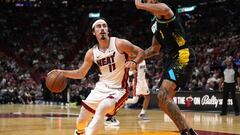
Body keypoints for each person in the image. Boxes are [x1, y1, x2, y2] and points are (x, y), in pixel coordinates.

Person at [48, 18, 144, 135]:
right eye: (99, 26)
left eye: (104, 26)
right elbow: (80, 73)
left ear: (108, 30)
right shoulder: (91, 53)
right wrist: (61, 72)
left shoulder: (120, 43)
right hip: (101, 88)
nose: (102, 28)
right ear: (94, 32)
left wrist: (134, 62)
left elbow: (141, 52)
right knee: (81, 121)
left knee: (103, 107)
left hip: (119, 90)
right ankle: (80, 132)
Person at [135, 0, 197, 135]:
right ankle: (188, 131)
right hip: (172, 59)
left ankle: (186, 133)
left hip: (183, 55)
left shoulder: (165, 10)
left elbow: (165, 10)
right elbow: (154, 49)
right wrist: (135, 61)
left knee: (163, 94)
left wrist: (140, 6)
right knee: (162, 102)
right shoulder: (154, 23)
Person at [105, 60, 151, 126]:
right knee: (134, 100)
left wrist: (146, 72)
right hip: (137, 82)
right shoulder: (136, 60)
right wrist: (132, 72)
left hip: (143, 81)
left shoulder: (143, 60)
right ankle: (111, 108)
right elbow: (129, 73)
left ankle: (142, 114)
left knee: (147, 96)